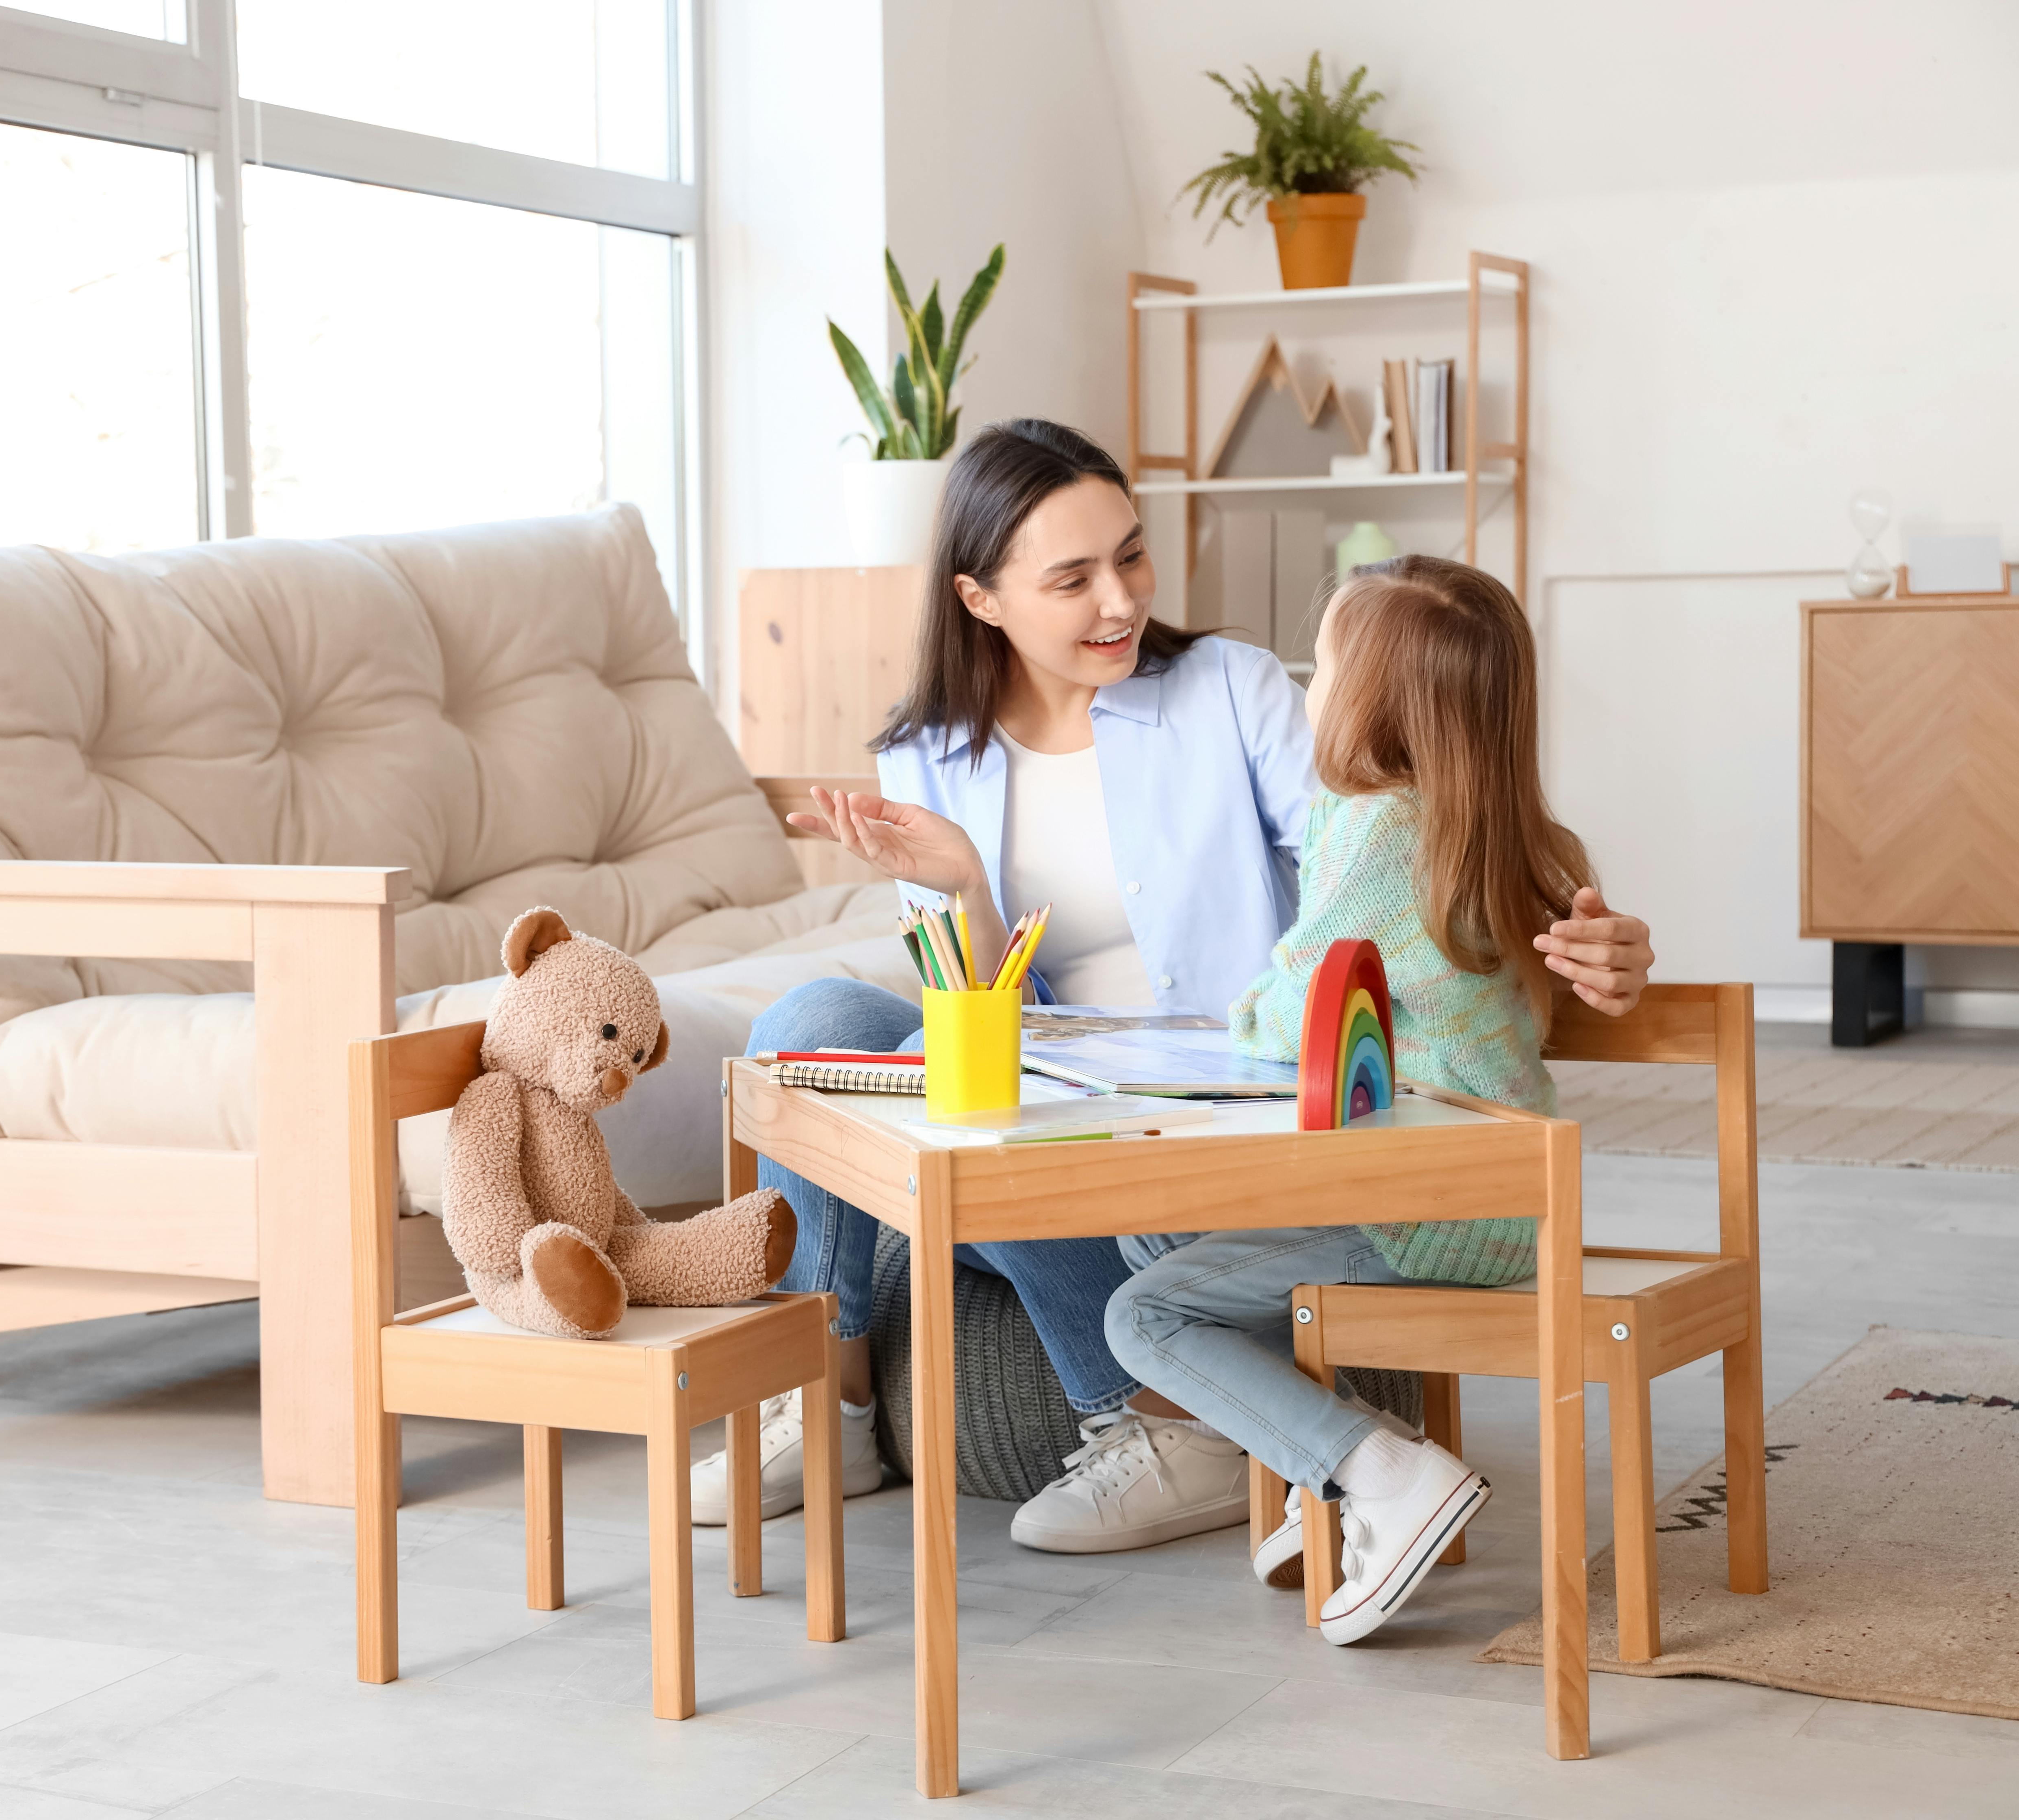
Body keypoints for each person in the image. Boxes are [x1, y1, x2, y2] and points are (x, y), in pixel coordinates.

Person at [687, 419, 1658, 1553]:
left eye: (1131, 556)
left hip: (1224, 1103)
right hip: (1061, 1079)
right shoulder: (928, 752)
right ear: (982, 598)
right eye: (1072, 578)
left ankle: (1159, 1420)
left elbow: (1405, 851)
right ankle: (833, 1404)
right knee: (815, 1025)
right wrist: (960, 886)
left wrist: (1591, 940)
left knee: (941, 1088)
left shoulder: (1229, 687)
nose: (1122, 600)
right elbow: (979, 1001)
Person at [1104, 553, 1588, 1643]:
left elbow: (1290, 1013)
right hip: (1481, 1196)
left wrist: (1237, 1019)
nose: (1307, 682)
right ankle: (1318, 1462)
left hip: (1429, 1211)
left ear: (1374, 702)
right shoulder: (1497, 828)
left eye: (1323, 664)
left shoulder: (1382, 833)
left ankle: (1379, 1473)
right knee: (1151, 1226)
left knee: (1145, 1312)